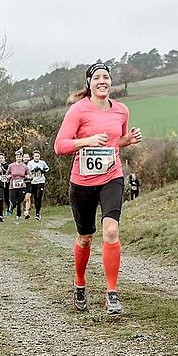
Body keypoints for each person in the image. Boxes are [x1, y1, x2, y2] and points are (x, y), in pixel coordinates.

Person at [54, 62, 142, 314]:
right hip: (82, 182)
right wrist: (87, 141)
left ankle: (112, 292)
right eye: (97, 77)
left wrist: (129, 140)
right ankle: (80, 283)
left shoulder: (121, 110)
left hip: (112, 177)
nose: (102, 81)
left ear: (110, 82)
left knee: (111, 231)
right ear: (89, 83)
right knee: (85, 238)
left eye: (106, 77)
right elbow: (60, 146)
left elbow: (117, 142)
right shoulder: (78, 110)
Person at [5, 150, 31, 225]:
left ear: (22, 158)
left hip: (22, 186)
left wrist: (27, 176)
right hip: (12, 186)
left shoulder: (25, 166)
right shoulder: (11, 166)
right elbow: (7, 175)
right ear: (15, 157)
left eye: (20, 157)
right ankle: (11, 208)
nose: (18, 158)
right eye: (17, 157)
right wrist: (9, 176)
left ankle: (17, 217)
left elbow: (30, 175)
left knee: (20, 202)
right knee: (13, 202)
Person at [26, 149, 50, 220]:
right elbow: (27, 172)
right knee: (35, 197)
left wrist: (42, 170)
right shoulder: (30, 163)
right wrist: (34, 170)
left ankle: (37, 213)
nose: (37, 157)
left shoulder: (42, 163)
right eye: (35, 156)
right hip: (33, 182)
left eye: (38, 156)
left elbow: (47, 169)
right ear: (33, 157)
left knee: (39, 197)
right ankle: (34, 211)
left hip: (41, 181)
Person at [0, 153, 10, 222]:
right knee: (1, 199)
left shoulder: (8, 166)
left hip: (7, 184)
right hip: (0, 185)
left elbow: (11, 173)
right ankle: (1, 215)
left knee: (7, 199)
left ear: (4, 159)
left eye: (2, 158)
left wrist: (8, 176)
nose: (1, 159)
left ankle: (8, 207)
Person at [22, 152, 33, 219]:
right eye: (24, 157)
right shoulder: (20, 165)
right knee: (23, 199)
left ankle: (27, 212)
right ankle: (26, 208)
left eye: (27, 157)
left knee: (28, 197)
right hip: (22, 183)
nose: (26, 158)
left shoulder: (31, 164)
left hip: (29, 183)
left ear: (29, 158)